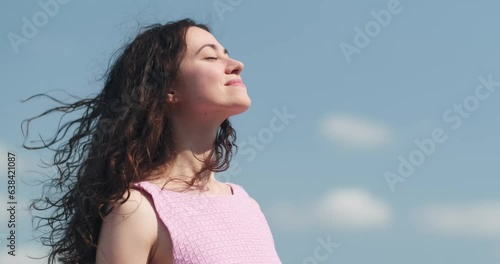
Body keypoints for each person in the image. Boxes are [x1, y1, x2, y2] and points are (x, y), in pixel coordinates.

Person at [22, 18, 282, 263]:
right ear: (168, 88)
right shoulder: (138, 210)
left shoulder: (247, 206)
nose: (237, 64)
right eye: (210, 56)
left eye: (226, 53)